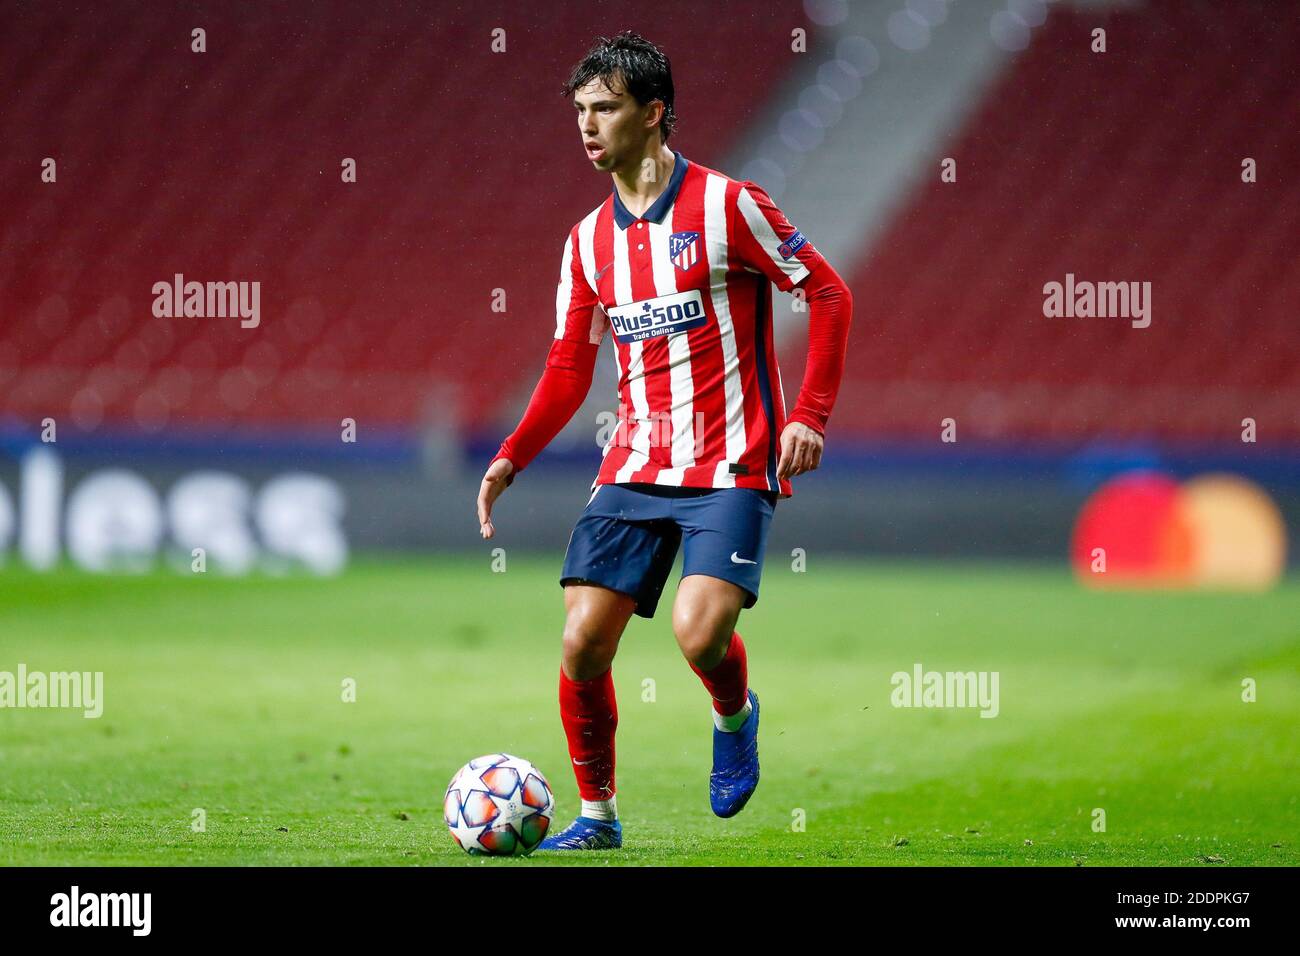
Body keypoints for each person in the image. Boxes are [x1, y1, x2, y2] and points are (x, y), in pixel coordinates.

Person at [475, 32, 853, 850]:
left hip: (729, 466)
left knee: (697, 631)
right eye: (578, 110)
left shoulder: (729, 206)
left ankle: (733, 712)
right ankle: (598, 817)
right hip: (635, 463)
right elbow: (570, 365)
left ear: (653, 114)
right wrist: (512, 455)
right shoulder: (586, 244)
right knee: (580, 641)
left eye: (604, 107)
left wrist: (809, 414)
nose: (586, 124)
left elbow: (827, 292)